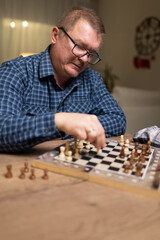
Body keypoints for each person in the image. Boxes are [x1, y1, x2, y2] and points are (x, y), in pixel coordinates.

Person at [0, 6, 126, 153]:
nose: (84, 59)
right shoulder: (15, 71)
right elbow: (2, 127)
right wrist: (59, 121)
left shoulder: (92, 79)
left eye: (92, 53)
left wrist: (74, 127)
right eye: (79, 46)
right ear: (55, 35)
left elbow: (118, 119)